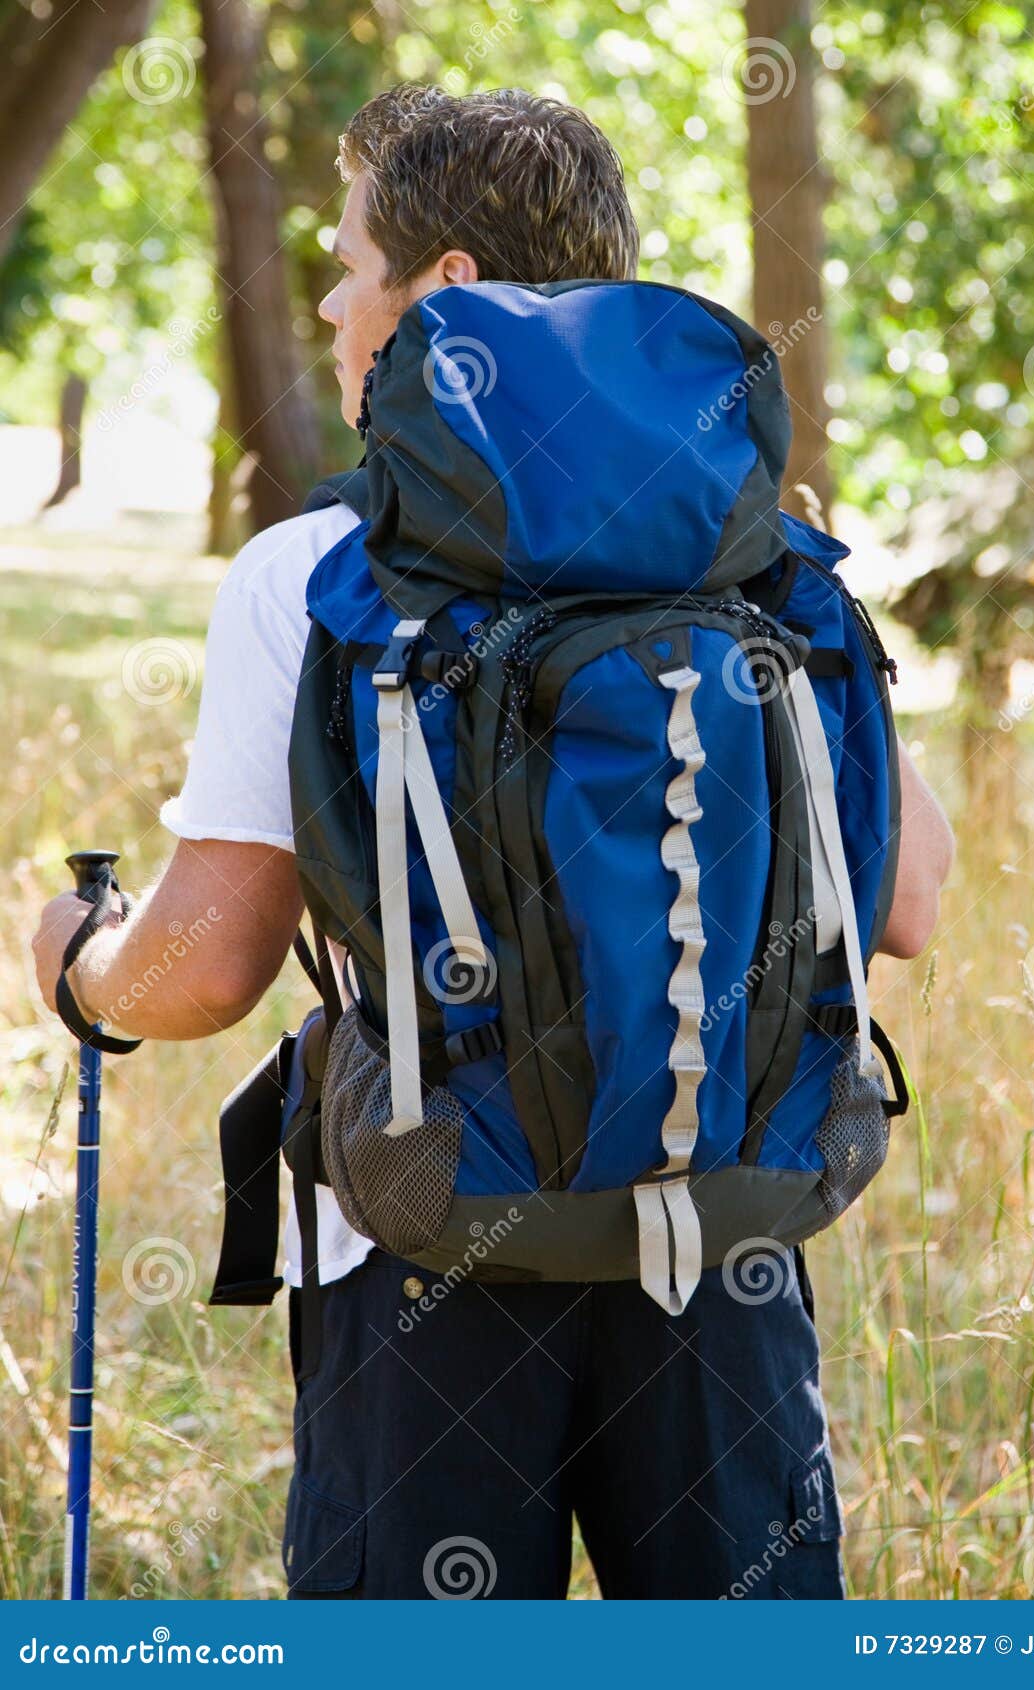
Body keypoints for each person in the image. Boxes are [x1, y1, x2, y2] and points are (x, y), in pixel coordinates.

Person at [32, 84, 955, 1600]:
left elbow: (203, 975)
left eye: (348, 263)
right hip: (722, 1229)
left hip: (431, 1242)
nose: (330, 303)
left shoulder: (320, 571)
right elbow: (906, 901)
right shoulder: (765, 549)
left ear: (443, 289)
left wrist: (75, 967)